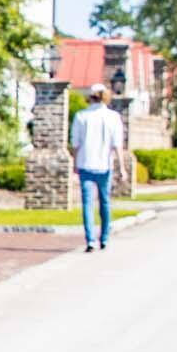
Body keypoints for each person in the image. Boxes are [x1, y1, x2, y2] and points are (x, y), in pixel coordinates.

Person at [70, 83, 124, 253]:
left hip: (85, 163)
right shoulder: (113, 117)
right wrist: (122, 166)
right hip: (104, 165)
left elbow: (75, 143)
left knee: (87, 203)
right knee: (105, 202)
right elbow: (118, 144)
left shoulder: (81, 116)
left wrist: (74, 163)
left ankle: (91, 240)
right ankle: (104, 237)